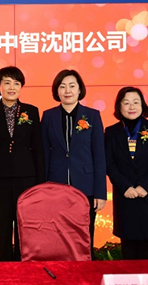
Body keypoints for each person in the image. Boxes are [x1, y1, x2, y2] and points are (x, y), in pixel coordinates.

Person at [0, 66, 45, 261]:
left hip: (27, 178)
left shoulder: (31, 111)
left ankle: (23, 265)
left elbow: (38, 149)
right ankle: (3, 265)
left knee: (25, 226)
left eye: (16, 83)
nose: (12, 87)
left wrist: (41, 182)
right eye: (7, 83)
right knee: (3, 225)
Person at [41, 69, 106, 254]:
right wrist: (43, 188)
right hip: (56, 185)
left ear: (79, 89)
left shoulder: (92, 116)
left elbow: (99, 156)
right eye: (62, 86)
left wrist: (100, 192)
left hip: (86, 185)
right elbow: (44, 154)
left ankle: (86, 268)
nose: (67, 90)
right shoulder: (48, 116)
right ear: (57, 91)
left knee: (85, 234)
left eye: (72, 86)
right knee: (57, 233)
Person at [105, 87, 148, 259]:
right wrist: (125, 187)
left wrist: (144, 186)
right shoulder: (111, 132)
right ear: (119, 106)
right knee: (128, 253)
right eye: (126, 103)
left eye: (135, 102)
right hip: (125, 197)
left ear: (142, 105)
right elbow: (109, 164)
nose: (131, 107)